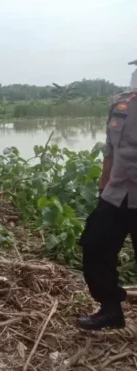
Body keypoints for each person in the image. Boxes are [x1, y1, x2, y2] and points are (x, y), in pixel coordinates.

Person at [76, 89, 137, 331]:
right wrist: (103, 188)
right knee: (94, 246)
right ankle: (110, 309)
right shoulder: (122, 105)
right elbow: (110, 149)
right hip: (117, 193)